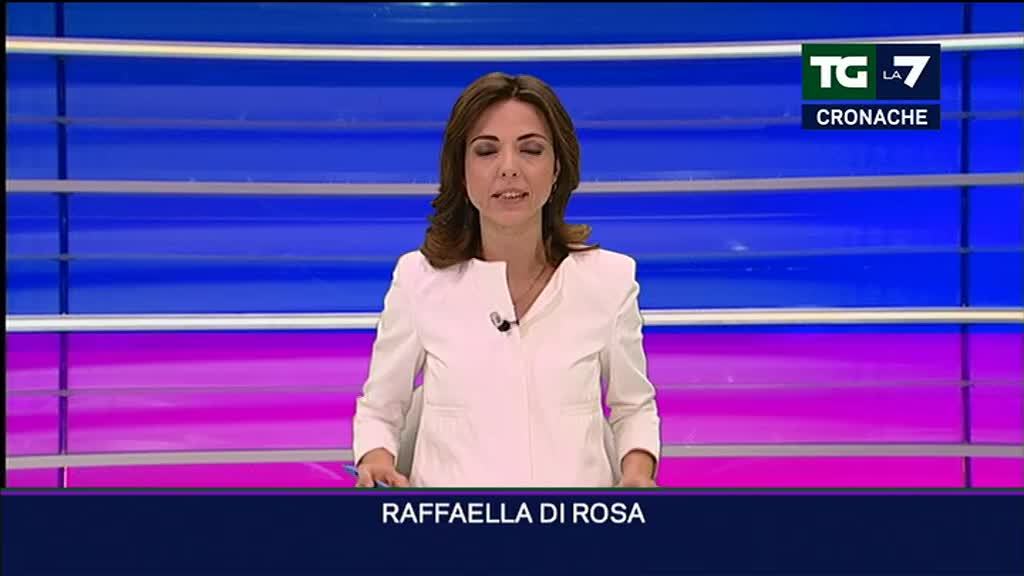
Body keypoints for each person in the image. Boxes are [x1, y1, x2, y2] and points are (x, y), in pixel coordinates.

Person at [352, 72, 661, 488]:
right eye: (486, 151)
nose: (509, 168)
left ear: (557, 169)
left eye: (531, 150)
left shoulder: (609, 279)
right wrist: (376, 460)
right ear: (462, 172)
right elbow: (381, 409)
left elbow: (633, 407)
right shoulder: (418, 279)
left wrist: (637, 474)